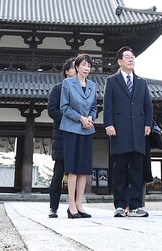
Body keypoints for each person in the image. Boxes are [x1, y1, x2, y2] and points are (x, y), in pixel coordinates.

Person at [103, 46, 152, 217]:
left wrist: (147, 124)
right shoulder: (112, 81)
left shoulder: (141, 82)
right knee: (120, 169)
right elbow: (108, 105)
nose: (131, 59)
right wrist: (108, 124)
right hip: (119, 130)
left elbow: (147, 106)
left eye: (132, 56)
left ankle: (136, 205)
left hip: (138, 131)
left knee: (137, 169)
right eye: (127, 57)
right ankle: (120, 205)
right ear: (119, 61)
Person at [58, 53, 97, 219]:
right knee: (73, 168)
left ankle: (80, 204)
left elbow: (94, 107)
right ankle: (71, 205)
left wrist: (90, 118)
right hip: (71, 129)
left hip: (87, 129)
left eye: (89, 65)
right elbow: (64, 107)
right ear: (77, 67)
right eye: (84, 65)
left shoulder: (93, 85)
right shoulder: (67, 83)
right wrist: (80, 118)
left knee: (84, 169)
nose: (86, 68)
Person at [46, 58, 73, 217]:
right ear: (67, 71)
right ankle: (53, 207)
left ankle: (75, 206)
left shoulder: (83, 88)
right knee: (58, 173)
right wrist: (70, 119)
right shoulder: (58, 88)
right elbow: (51, 110)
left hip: (78, 135)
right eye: (74, 67)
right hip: (62, 135)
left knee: (77, 174)